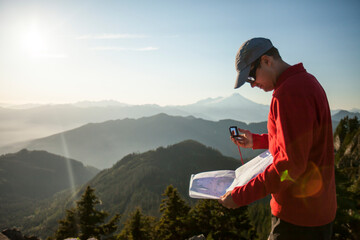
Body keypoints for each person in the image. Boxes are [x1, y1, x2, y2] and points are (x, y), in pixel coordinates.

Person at [217, 38, 337, 240]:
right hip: (317, 211)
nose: (253, 85)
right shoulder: (306, 81)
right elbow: (301, 141)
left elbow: (289, 166)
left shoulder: (289, 93)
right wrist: (257, 141)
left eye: (251, 77)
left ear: (266, 61)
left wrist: (240, 196)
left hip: (297, 218)